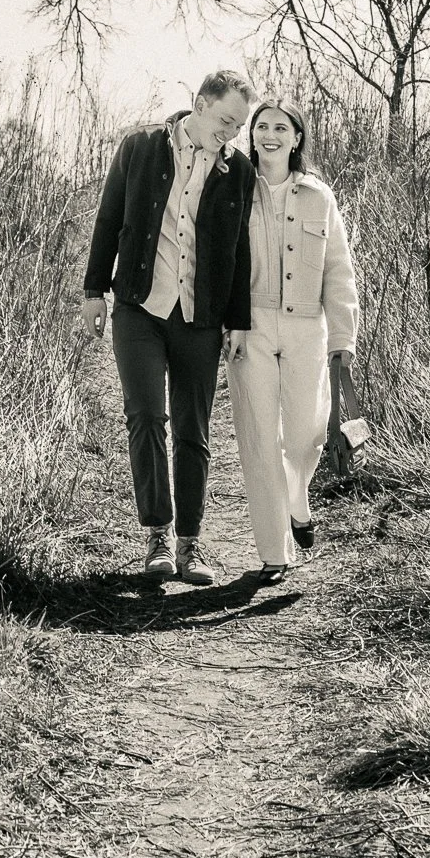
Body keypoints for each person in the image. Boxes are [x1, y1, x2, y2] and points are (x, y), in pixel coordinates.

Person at [82, 70, 257, 584]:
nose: (231, 132)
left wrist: (237, 322)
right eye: (226, 119)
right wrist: (95, 291)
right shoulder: (139, 149)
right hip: (139, 308)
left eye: (239, 126)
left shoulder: (238, 172)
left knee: (193, 430)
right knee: (144, 416)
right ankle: (157, 535)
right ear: (199, 105)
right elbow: (108, 219)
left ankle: (190, 544)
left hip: (198, 317)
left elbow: (238, 252)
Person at [227, 96, 360, 584]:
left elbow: (338, 270)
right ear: (252, 134)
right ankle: (274, 554)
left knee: (306, 435)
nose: (270, 135)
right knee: (259, 438)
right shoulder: (236, 189)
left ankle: (298, 497)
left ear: (297, 137)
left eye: (281, 127)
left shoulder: (318, 196)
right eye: (262, 126)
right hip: (251, 327)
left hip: (308, 328)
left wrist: (343, 337)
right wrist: (228, 324)